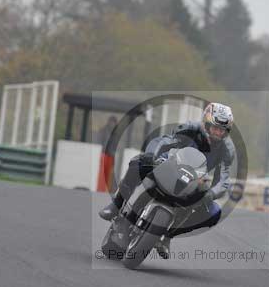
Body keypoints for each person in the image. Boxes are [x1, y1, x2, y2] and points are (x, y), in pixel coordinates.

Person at [99, 102, 236, 259]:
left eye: (222, 130)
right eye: (215, 128)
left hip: (195, 179)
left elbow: (224, 179)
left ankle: (168, 236)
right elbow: (165, 140)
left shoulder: (227, 149)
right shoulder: (190, 128)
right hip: (170, 164)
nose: (218, 133)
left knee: (214, 212)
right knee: (139, 162)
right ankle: (116, 204)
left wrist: (211, 193)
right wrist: (153, 155)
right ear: (206, 123)